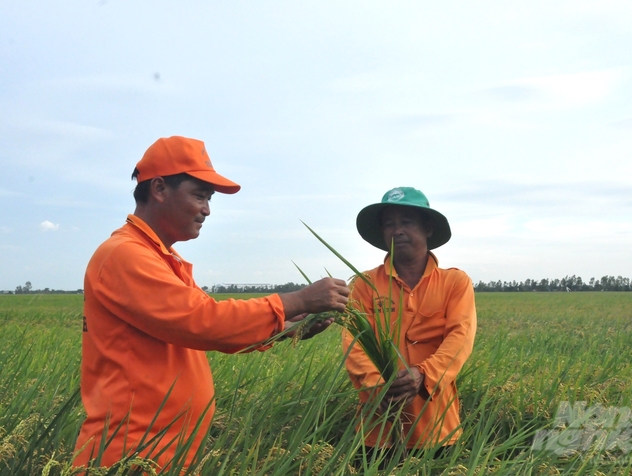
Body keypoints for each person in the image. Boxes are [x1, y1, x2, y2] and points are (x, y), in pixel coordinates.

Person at [73, 136, 350, 471]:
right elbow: (203, 320)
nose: (206, 209)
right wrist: (297, 299)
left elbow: (212, 330)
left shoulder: (164, 258)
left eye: (209, 199)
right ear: (159, 189)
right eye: (200, 196)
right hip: (130, 452)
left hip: (163, 452)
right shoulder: (125, 255)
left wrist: (286, 330)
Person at [342, 186, 476, 455]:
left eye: (406, 222)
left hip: (437, 426)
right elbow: (352, 343)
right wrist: (377, 386)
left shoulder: (455, 283)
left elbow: (460, 337)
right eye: (389, 224)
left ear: (427, 228)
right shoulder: (364, 284)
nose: (397, 230)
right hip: (377, 426)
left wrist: (424, 374)